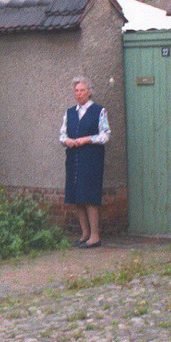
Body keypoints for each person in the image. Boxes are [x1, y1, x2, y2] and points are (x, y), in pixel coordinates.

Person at [59, 75, 110, 248]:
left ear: (89, 92)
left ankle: (95, 236)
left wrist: (87, 139)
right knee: (77, 197)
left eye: (82, 90)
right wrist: (67, 141)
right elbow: (62, 134)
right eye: (76, 91)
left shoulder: (99, 111)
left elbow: (105, 135)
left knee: (89, 196)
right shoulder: (69, 113)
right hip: (73, 159)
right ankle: (85, 234)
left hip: (91, 158)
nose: (79, 93)